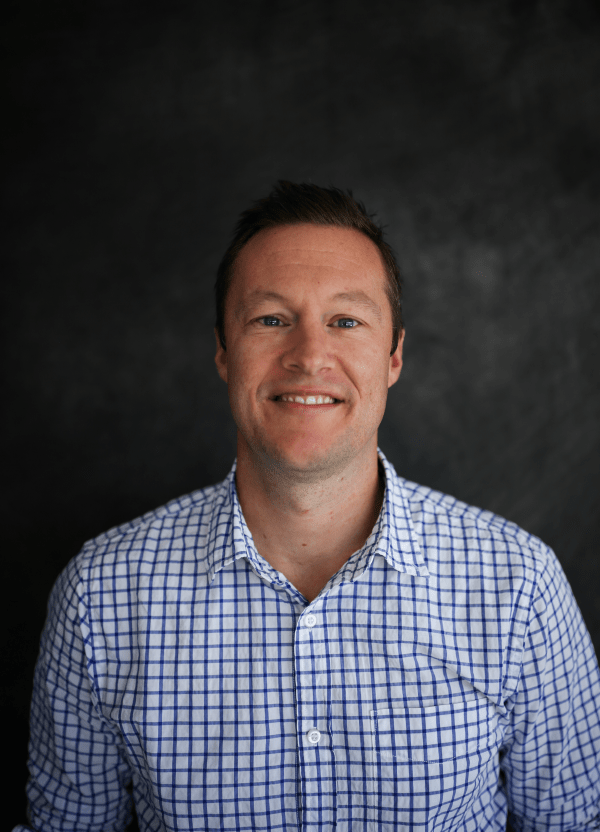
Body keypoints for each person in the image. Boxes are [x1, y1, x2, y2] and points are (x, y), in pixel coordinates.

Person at [15, 181, 600, 832]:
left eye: (346, 321)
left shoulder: (519, 586)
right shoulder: (101, 597)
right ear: (223, 351)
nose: (309, 356)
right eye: (271, 319)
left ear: (394, 356)